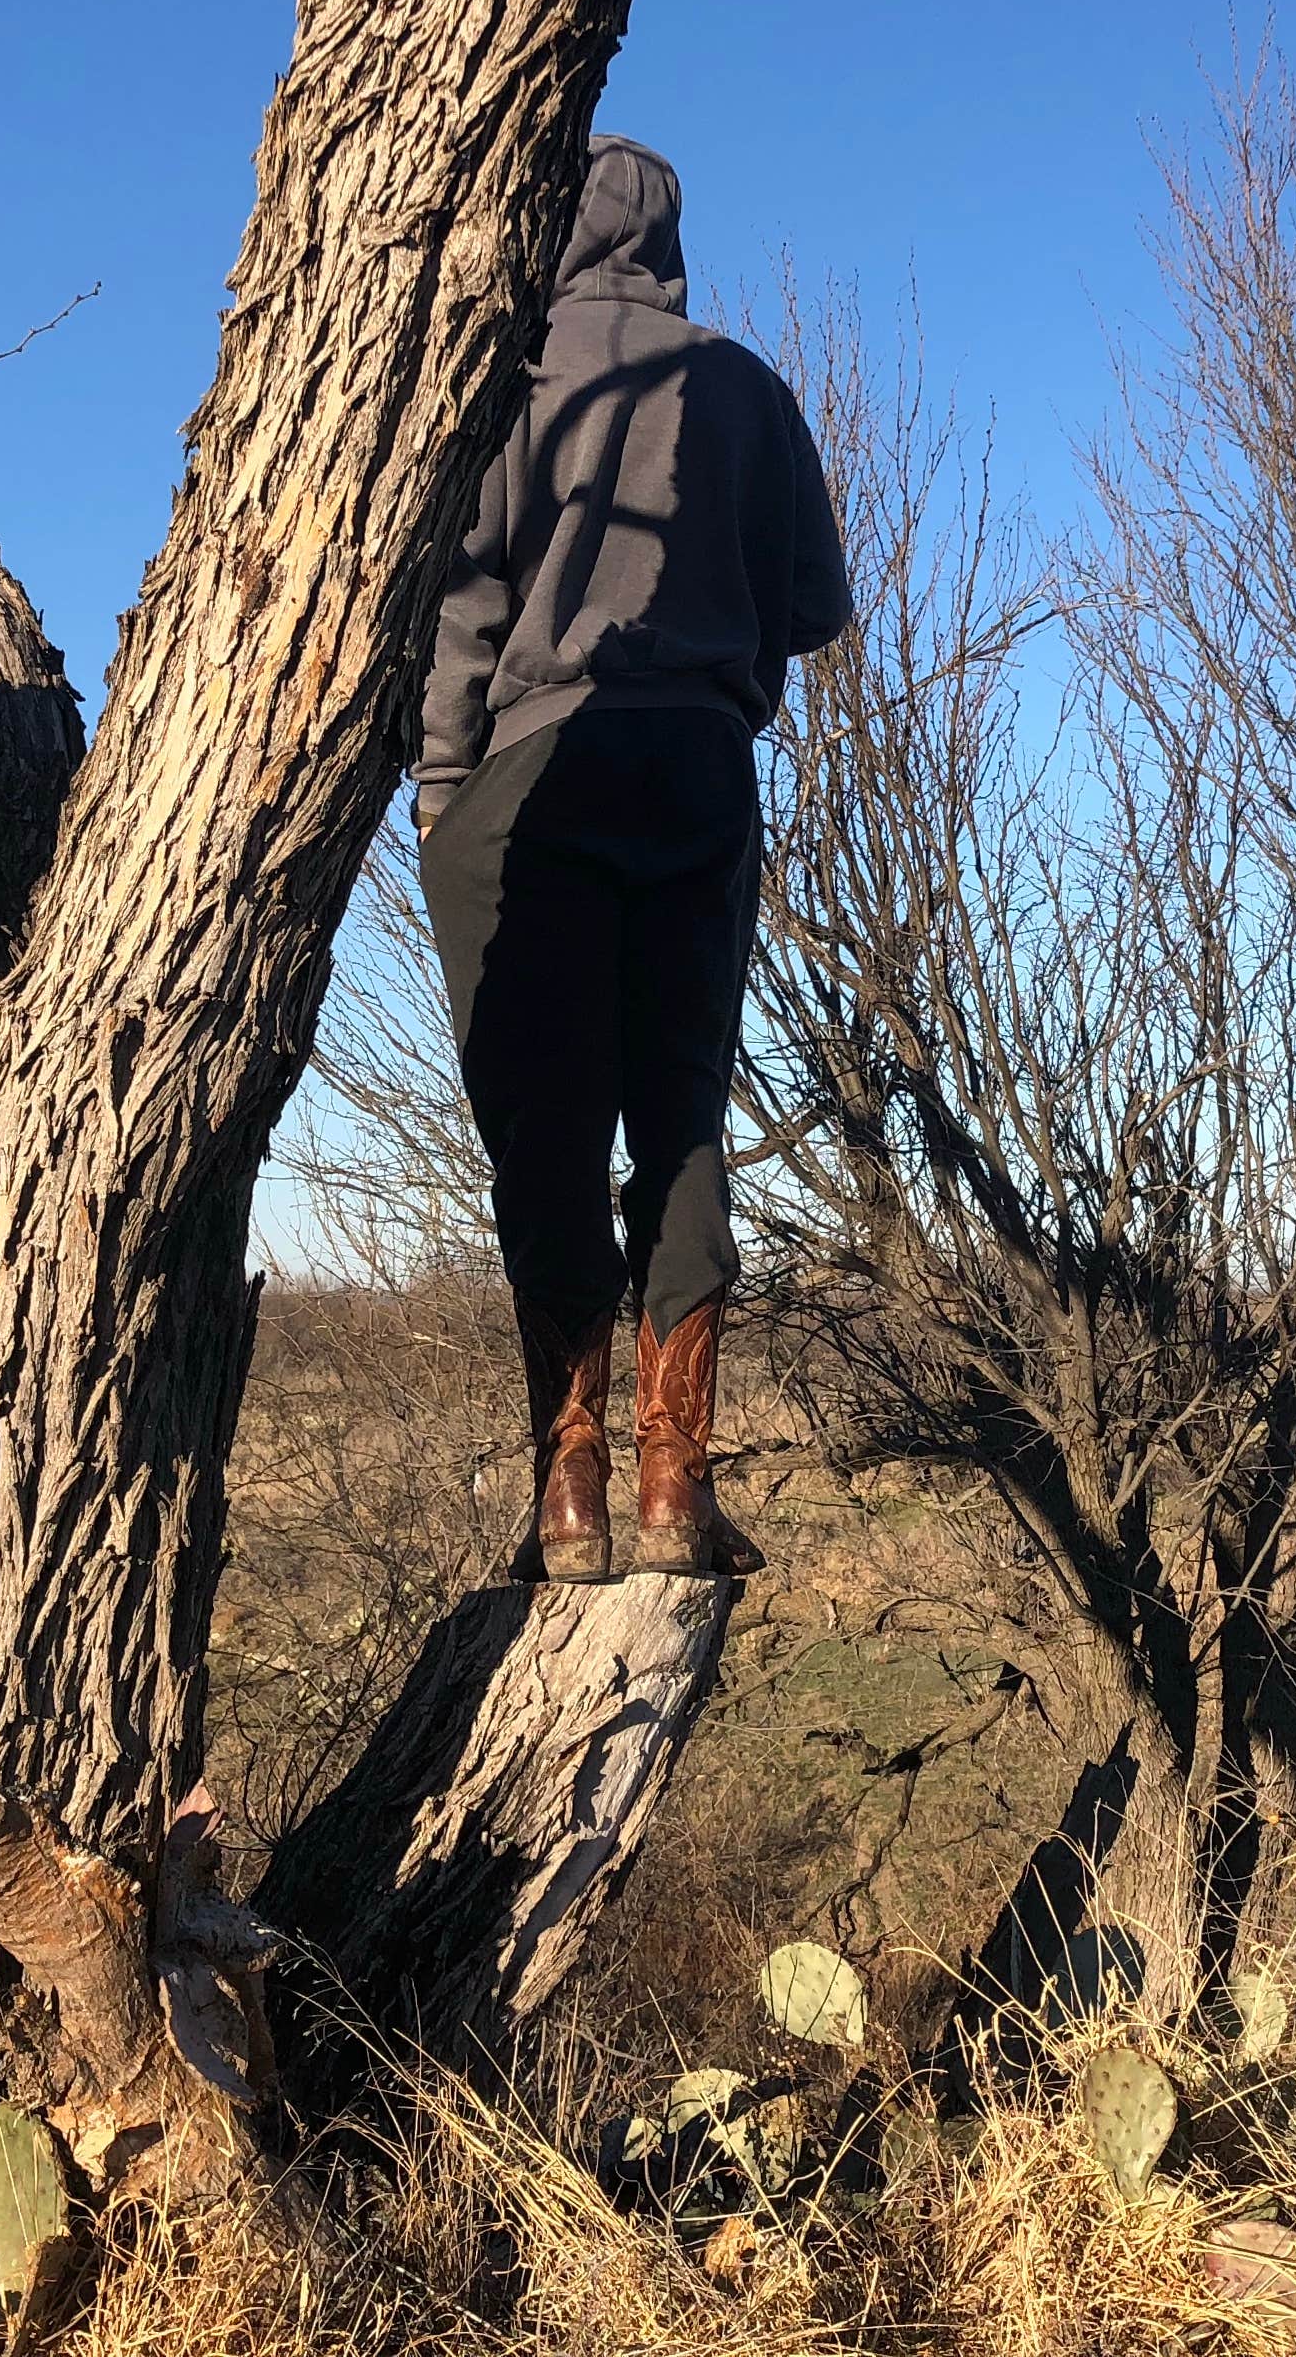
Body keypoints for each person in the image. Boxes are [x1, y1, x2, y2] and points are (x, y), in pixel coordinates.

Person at [415, 135, 853, 1582]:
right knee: (678, 1122)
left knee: (544, 1129)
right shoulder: (746, 389)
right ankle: (677, 1490)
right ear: (669, 237)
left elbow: (460, 614)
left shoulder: (511, 385)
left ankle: (570, 1495)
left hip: (533, 776)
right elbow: (810, 609)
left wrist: (442, 796)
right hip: (699, 774)